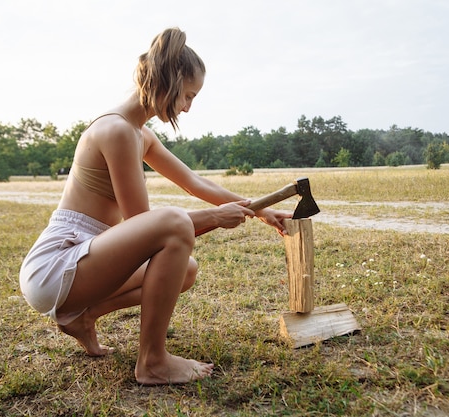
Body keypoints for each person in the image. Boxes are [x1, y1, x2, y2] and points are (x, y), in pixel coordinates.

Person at [19, 27, 290, 385]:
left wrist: (259, 210)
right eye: (188, 96)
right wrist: (214, 217)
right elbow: (142, 223)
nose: (188, 107)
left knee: (186, 269)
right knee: (172, 222)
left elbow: (194, 183)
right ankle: (152, 361)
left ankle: (82, 317)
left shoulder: (139, 133)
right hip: (57, 267)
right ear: (169, 81)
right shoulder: (115, 130)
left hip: (81, 263)